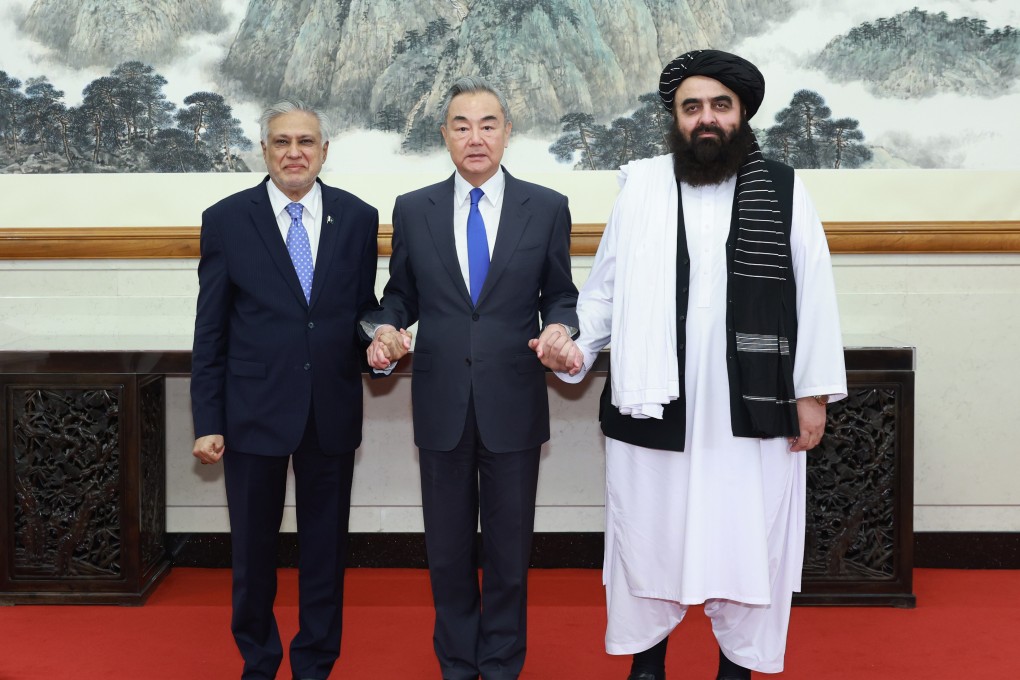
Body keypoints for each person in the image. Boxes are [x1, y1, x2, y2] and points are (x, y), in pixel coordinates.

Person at [543, 50, 847, 679]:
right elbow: (604, 294)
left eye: (719, 105)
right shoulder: (643, 188)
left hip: (753, 404)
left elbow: (813, 293)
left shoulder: (785, 188)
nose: (706, 118)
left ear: (741, 114)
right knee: (650, 534)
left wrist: (812, 393)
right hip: (656, 400)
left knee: (746, 537)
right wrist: (575, 346)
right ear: (675, 119)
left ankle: (735, 667)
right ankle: (648, 665)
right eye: (692, 108)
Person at [362, 76, 579, 680]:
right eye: (461, 125)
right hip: (441, 402)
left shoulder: (548, 206)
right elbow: (397, 297)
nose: (475, 137)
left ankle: (503, 664)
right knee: (448, 552)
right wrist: (383, 331)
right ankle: (457, 665)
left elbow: (561, 294)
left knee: (509, 555)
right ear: (445, 136)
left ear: (508, 132)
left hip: (513, 398)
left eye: (488, 124)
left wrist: (563, 329)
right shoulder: (413, 208)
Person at [190, 99, 380, 680]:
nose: (293, 152)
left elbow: (362, 310)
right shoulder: (226, 219)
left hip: (330, 410)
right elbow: (211, 329)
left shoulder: (357, 216)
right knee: (252, 553)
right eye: (281, 142)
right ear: (264, 150)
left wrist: (381, 339)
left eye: (305, 141)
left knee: (326, 552)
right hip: (252, 414)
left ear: (324, 151)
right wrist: (208, 420)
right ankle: (259, 657)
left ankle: (316, 661)